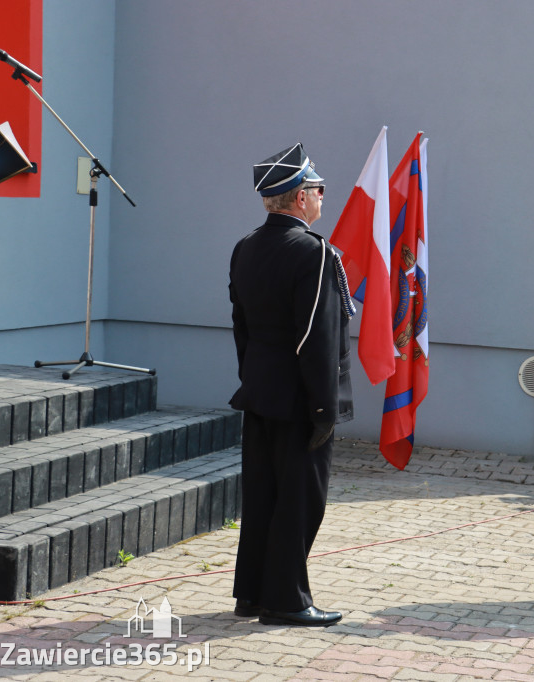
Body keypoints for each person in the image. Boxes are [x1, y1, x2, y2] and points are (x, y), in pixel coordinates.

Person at [229, 143, 355, 627]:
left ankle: (253, 594)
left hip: (260, 391)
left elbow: (240, 325)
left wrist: (254, 378)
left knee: (263, 496)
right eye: (319, 189)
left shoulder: (245, 246)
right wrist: (324, 408)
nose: (324, 196)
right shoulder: (314, 251)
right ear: (300, 197)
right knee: (301, 500)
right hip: (301, 399)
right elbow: (316, 337)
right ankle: (285, 600)